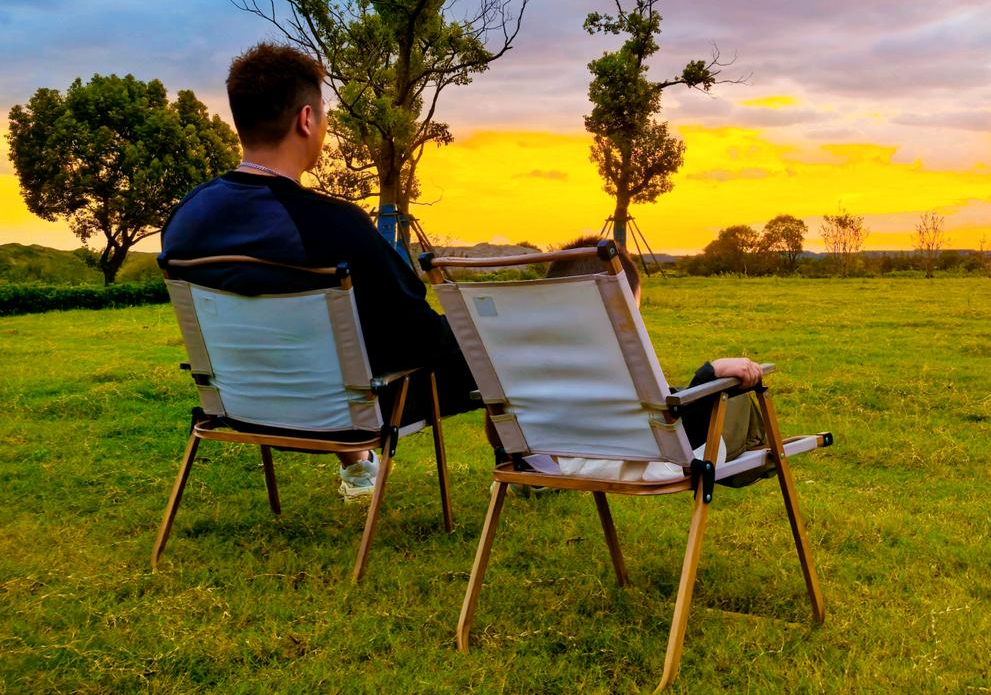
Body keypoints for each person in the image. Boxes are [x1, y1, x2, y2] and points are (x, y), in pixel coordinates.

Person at [161, 43, 477, 501]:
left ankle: (358, 470)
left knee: (330, 344)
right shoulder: (333, 224)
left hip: (238, 405)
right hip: (339, 413)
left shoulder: (186, 218)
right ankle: (526, 461)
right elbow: (415, 333)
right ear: (306, 120)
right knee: (480, 342)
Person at [545, 236, 768, 486]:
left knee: (682, 394)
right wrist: (710, 373)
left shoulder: (532, 357)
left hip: (567, 459)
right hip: (644, 461)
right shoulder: (616, 355)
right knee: (733, 398)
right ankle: (762, 451)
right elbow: (678, 440)